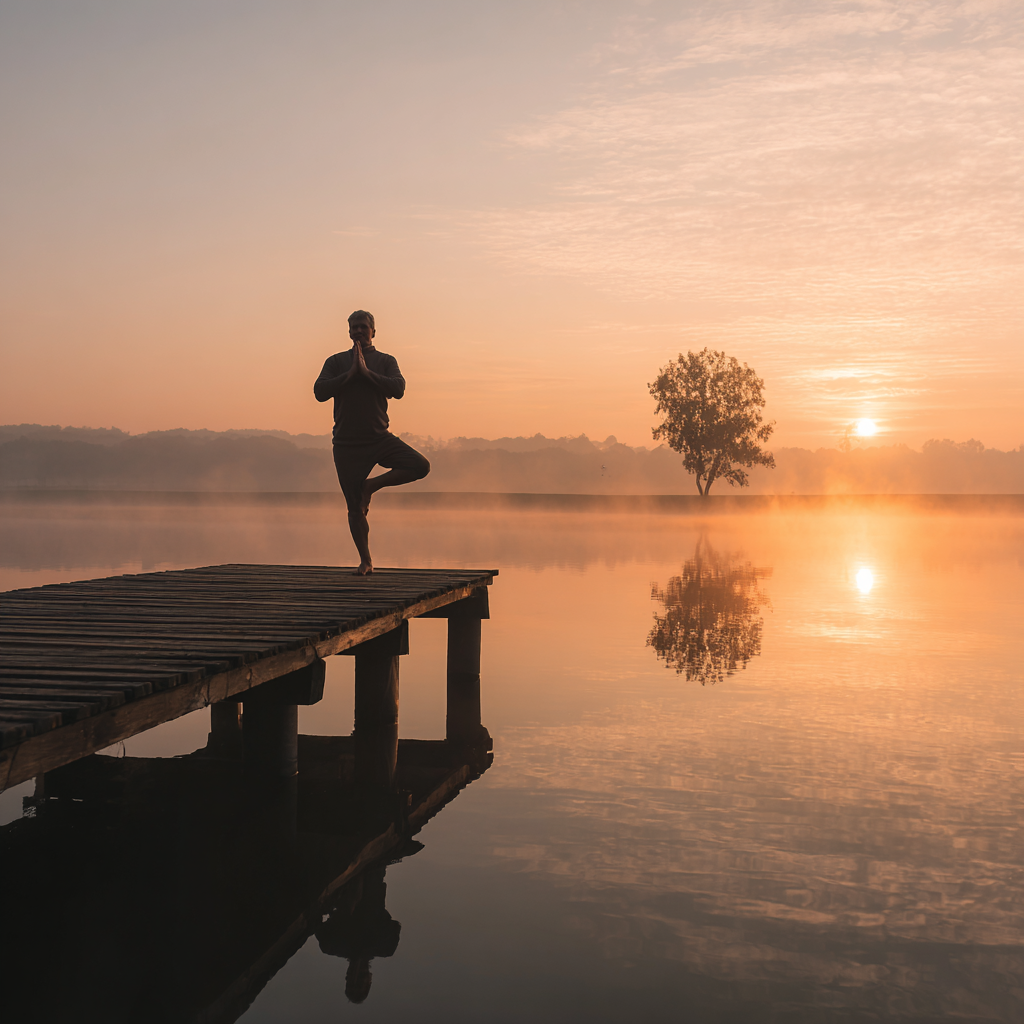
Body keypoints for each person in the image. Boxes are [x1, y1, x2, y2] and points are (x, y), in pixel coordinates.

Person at [314, 310, 430, 574]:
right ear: (348, 331)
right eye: (354, 327)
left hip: (379, 438)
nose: (358, 331)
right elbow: (319, 392)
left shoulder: (386, 361)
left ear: (373, 332)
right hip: (346, 445)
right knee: (355, 507)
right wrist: (350, 374)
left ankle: (371, 486)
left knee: (420, 466)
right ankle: (366, 561)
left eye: (363, 327)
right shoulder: (336, 361)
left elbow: (398, 389)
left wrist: (366, 373)